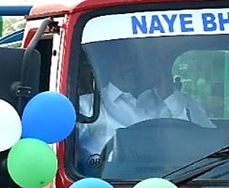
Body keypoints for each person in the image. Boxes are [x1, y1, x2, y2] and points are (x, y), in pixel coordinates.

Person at [77, 52, 215, 165]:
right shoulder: (86, 105)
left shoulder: (182, 101)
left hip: (177, 181)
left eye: (137, 61)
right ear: (108, 66)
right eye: (122, 61)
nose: (130, 68)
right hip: (108, 185)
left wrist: (170, 97)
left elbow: (211, 141)